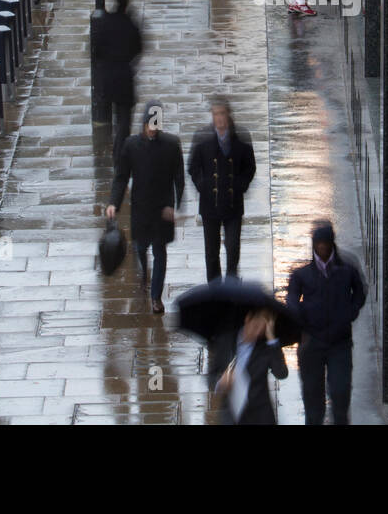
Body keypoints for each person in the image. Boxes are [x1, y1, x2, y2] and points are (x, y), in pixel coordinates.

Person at [107, 100, 185, 315]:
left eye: (155, 125)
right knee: (141, 248)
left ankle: (156, 297)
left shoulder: (171, 144)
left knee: (160, 251)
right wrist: (113, 202)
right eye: (149, 125)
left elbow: (179, 177)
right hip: (141, 208)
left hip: (162, 208)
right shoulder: (131, 146)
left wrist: (175, 205)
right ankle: (144, 272)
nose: (152, 129)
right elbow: (121, 177)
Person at [285, 221, 367, 425]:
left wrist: (350, 312)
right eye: (318, 244)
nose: (322, 248)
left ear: (331, 244)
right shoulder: (301, 274)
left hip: (339, 342)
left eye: (325, 244)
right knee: (313, 400)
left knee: (340, 392)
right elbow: (292, 299)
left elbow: (360, 291)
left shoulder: (346, 270)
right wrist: (300, 318)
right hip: (311, 342)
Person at [188, 98, 256, 281]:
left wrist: (241, 185)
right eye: (215, 114)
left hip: (233, 205)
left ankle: (232, 286)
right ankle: (215, 291)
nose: (219, 118)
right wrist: (203, 185)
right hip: (210, 205)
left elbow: (250, 167)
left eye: (222, 113)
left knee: (233, 248)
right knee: (211, 252)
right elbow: (193, 167)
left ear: (228, 114)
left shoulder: (241, 136)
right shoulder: (202, 137)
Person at [90, 0, 143, 161]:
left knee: (110, 116)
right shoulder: (130, 24)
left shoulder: (106, 22)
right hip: (124, 77)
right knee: (124, 120)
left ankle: (111, 146)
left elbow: (95, 50)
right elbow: (139, 48)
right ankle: (120, 153)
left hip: (107, 78)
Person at [216, 309, 288, 425]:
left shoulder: (265, 348)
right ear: (248, 318)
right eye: (256, 326)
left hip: (259, 415)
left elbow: (282, 373)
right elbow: (212, 374)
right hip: (233, 415)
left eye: (262, 328)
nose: (258, 332)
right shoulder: (227, 341)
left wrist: (272, 340)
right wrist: (220, 382)